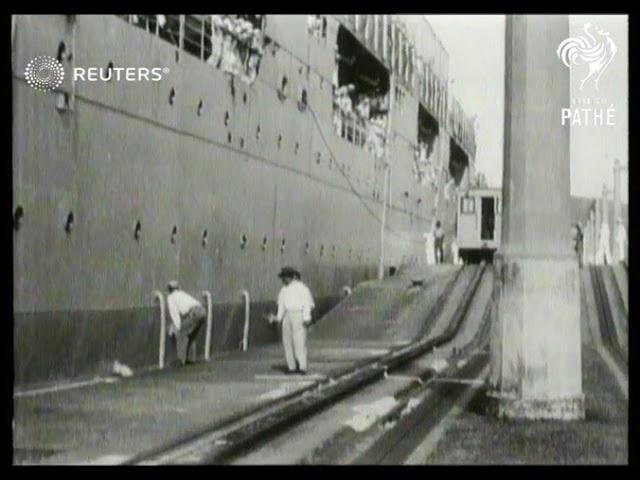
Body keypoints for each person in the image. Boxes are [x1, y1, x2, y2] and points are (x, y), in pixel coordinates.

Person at [268, 267, 315, 374]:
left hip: (299, 313)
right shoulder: (283, 290)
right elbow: (281, 306)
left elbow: (307, 303)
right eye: (283, 278)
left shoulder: (302, 288)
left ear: (290, 277)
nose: (283, 280)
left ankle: (302, 366)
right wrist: (278, 318)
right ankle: (291, 367)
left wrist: (307, 317)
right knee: (287, 342)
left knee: (299, 341)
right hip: (287, 315)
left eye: (285, 277)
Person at [166, 280, 206, 365]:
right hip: (201, 311)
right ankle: (190, 359)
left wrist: (177, 327)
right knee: (191, 335)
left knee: (181, 334)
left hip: (194, 313)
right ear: (178, 288)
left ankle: (181, 360)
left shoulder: (171, 297)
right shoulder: (182, 294)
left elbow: (174, 313)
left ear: (169, 290)